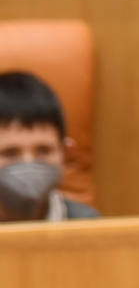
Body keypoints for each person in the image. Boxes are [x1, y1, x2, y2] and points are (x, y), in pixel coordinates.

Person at [0, 71, 99, 223]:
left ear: (65, 153)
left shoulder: (87, 225)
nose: (29, 163)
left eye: (43, 150)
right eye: (10, 153)